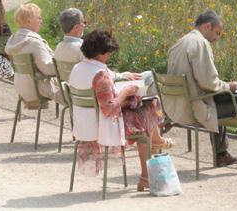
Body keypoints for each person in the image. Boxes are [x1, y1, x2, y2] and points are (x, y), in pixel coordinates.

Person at [166, 10, 237, 173]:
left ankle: (221, 154)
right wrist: (229, 85)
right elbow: (208, 82)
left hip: (178, 107)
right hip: (195, 108)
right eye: (217, 33)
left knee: (218, 100)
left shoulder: (178, 43)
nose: (216, 39)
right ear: (207, 26)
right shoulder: (200, 43)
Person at [68, 29, 168, 190]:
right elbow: (109, 109)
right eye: (108, 53)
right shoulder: (101, 75)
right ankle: (146, 174)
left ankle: (153, 152)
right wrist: (125, 92)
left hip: (83, 125)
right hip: (102, 127)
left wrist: (122, 81)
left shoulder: (78, 68)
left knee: (147, 110)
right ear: (101, 52)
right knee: (145, 123)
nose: (109, 56)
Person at [54, 7, 156, 91]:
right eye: (83, 22)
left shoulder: (58, 48)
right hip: (99, 93)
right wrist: (124, 75)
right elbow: (101, 74)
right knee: (149, 76)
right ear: (76, 27)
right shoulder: (81, 49)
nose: (85, 25)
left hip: (73, 94)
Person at [5, 3, 66, 109]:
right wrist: (64, 63)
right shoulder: (34, 42)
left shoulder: (13, 39)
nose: (41, 21)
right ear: (28, 21)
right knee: (79, 94)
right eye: (38, 18)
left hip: (23, 88)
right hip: (38, 88)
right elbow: (48, 69)